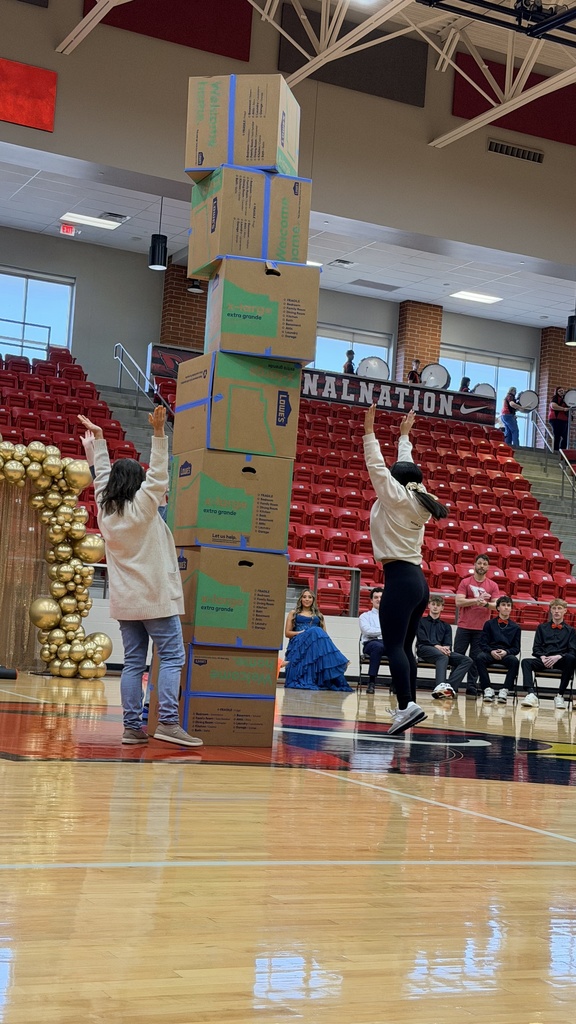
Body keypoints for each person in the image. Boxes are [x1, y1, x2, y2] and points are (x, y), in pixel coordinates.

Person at [77, 408, 203, 748]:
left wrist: (100, 443)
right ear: (137, 484)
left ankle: (132, 727)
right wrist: (159, 434)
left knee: (133, 662)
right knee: (173, 657)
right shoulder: (144, 507)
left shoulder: (105, 511)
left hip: (125, 600)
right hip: (155, 598)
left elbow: (101, 475)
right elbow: (160, 475)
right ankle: (168, 723)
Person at [363, 404, 449, 734]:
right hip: (418, 582)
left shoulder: (396, 497)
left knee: (394, 645)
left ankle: (406, 706)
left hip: (399, 579)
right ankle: (408, 705)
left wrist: (369, 432)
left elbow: (377, 468)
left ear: (397, 484)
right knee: (405, 646)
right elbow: (407, 469)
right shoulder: (421, 496)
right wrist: (403, 436)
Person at [284, 589, 352, 692]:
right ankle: (340, 659)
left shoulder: (319, 616)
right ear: (300, 599)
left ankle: (334, 664)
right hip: (299, 643)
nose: (307, 599)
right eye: (304, 597)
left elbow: (325, 636)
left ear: (313, 600)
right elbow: (287, 633)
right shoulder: (293, 613)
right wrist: (301, 633)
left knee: (318, 632)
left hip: (314, 645)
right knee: (316, 630)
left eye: (309, 597)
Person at [453, 554, 501, 696]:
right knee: (458, 656)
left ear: (488, 567)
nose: (481, 566)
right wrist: (476, 601)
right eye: (479, 563)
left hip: (481, 629)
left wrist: (485, 603)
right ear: (474, 565)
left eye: (484, 564)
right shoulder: (465, 582)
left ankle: (471, 687)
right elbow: (458, 602)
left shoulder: (492, 585)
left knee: (476, 659)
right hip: (464, 626)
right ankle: (452, 686)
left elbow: (496, 605)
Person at [521, 599, 576, 710]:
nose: (556, 611)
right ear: (550, 610)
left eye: (559, 608)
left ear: (565, 610)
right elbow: (536, 648)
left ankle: (560, 695)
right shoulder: (541, 628)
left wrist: (558, 656)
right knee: (525, 662)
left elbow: (572, 650)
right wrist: (542, 657)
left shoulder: (571, 631)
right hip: (544, 659)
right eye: (554, 608)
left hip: (561, 661)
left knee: (571, 658)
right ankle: (531, 694)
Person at [416, 594, 473, 699]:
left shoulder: (446, 626)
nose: (435, 607)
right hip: (424, 649)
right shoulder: (420, 621)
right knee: (442, 656)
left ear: (442, 607)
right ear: (429, 605)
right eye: (433, 604)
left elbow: (448, 644)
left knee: (467, 660)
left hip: (441, 651)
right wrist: (439, 647)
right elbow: (422, 639)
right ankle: (439, 687)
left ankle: (448, 687)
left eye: (438, 605)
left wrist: (445, 649)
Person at [476, 596, 521, 704]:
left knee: (514, 661)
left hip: (506, 653)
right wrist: (491, 651)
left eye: (508, 605)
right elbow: (482, 643)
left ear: (511, 609)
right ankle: (487, 688)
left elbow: (516, 648)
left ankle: (505, 690)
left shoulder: (516, 627)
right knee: (479, 658)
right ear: (498, 608)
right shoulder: (489, 624)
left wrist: (506, 652)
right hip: (491, 652)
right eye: (503, 605)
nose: (506, 608)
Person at [359, 586, 386, 694]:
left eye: (381, 597)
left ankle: (396, 683)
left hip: (387, 643)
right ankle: (371, 682)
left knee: (397, 649)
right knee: (377, 647)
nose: (379, 599)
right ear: (371, 600)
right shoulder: (365, 616)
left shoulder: (392, 616)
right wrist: (385, 631)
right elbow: (367, 631)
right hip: (370, 644)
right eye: (376, 597)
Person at [548, 386, 569, 451]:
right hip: (556, 419)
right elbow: (553, 406)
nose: (561, 392)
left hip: (564, 419)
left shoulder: (565, 399)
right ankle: (556, 450)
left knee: (565, 436)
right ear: (556, 392)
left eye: (562, 391)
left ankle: (562, 450)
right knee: (557, 435)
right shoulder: (555, 398)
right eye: (559, 391)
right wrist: (563, 409)